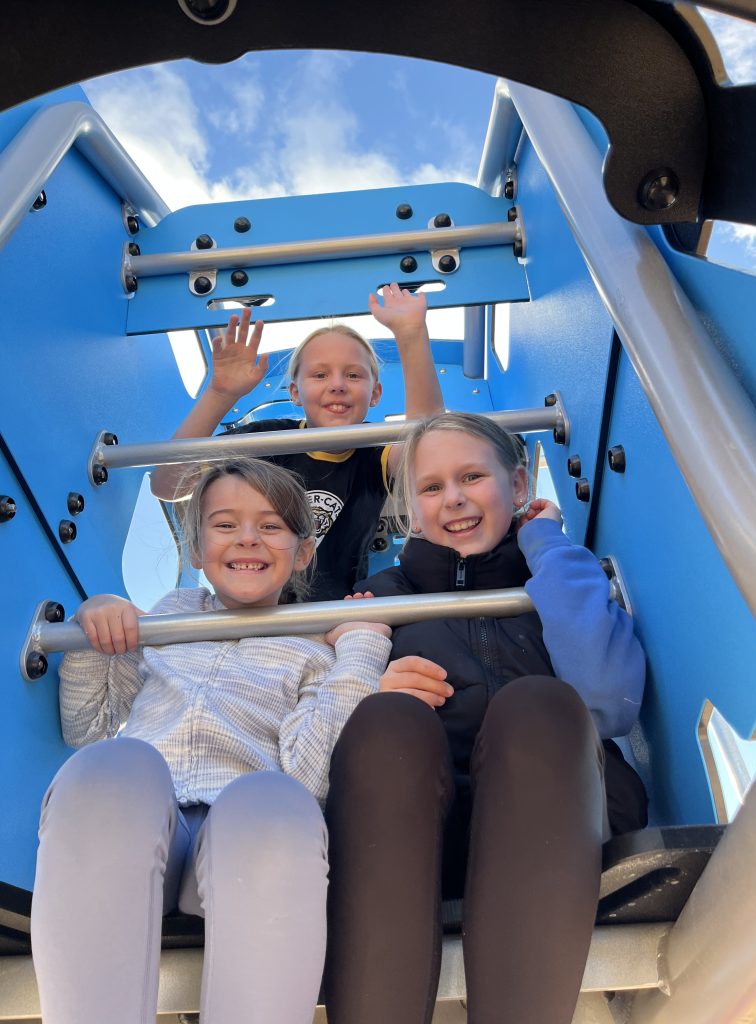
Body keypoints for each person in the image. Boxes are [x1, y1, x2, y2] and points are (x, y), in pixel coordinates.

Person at [31, 458, 392, 1024]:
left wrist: (360, 652)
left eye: (271, 525)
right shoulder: (167, 618)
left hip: (245, 847)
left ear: (303, 553)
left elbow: (309, 778)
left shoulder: (311, 647)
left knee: (273, 799)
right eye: (225, 524)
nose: (247, 537)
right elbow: (87, 727)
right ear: (196, 549)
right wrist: (93, 632)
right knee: (110, 766)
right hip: (143, 829)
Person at [323, 412, 648, 1024]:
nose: (453, 499)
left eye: (472, 476)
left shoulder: (555, 575)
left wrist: (546, 545)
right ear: (412, 511)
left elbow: (608, 699)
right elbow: (321, 716)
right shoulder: (378, 598)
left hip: (560, 815)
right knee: (387, 720)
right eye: (431, 486)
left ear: (519, 487)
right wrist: (370, 685)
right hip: (421, 831)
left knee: (539, 702)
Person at [151, 283, 444, 600]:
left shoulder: (375, 450)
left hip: (327, 617)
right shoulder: (266, 440)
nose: (337, 385)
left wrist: (411, 335)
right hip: (247, 605)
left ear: (374, 394)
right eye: (319, 375)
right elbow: (168, 485)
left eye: (354, 375)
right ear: (294, 393)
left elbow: (427, 448)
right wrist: (219, 395)